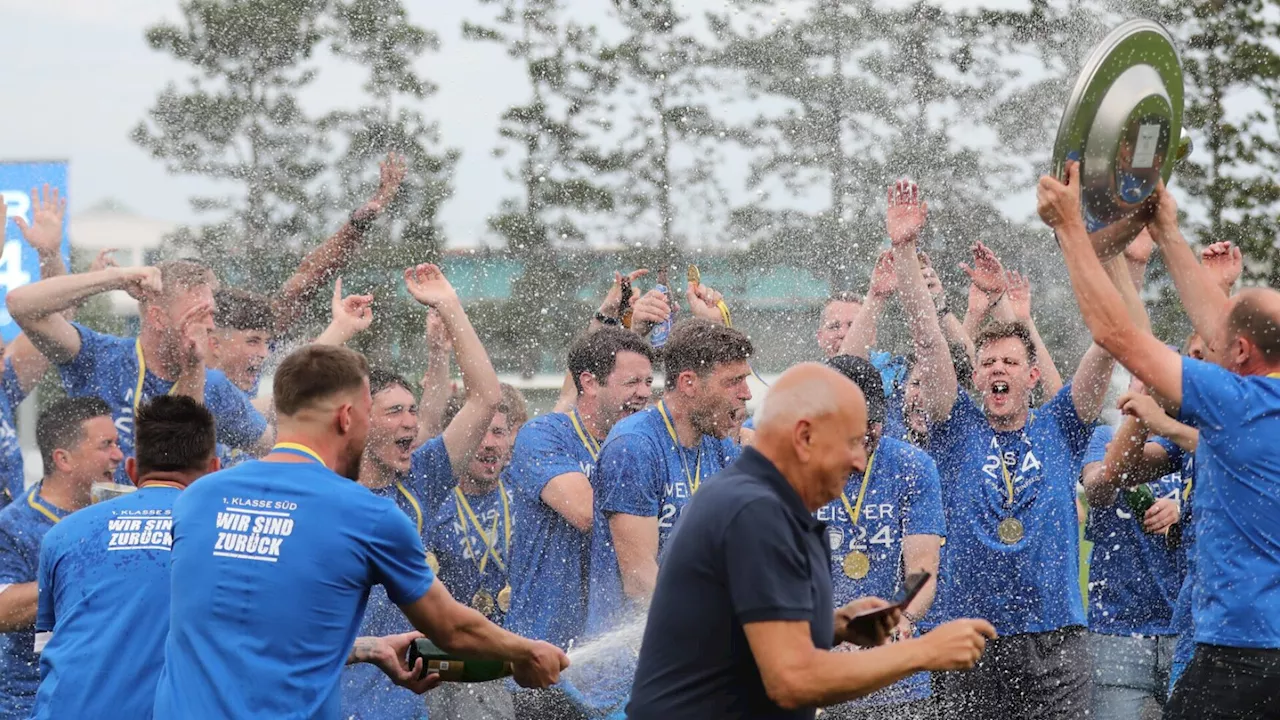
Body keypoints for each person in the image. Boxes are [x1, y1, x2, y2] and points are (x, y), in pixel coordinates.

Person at [152, 344, 567, 719]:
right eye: (374, 413)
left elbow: (258, 633)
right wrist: (527, 651)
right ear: (348, 417)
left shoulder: (197, 498)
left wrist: (370, 649)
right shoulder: (366, 515)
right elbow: (450, 628)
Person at [1039, 163, 1280, 718]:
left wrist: (1073, 230)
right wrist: (1167, 229)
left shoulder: (1234, 403)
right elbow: (1226, 328)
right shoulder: (1256, 389)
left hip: (1238, 654)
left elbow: (1118, 335)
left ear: (1237, 354)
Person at [627, 363, 995, 720]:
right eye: (852, 442)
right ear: (804, 436)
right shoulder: (755, 512)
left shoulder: (765, 501)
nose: (859, 463)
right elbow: (792, 681)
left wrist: (835, 626)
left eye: (868, 440)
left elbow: (740, 629)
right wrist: (924, 652)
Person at [504, 328, 655, 720]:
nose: (643, 392)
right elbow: (585, 512)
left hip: (620, 667)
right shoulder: (544, 434)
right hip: (546, 662)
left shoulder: (648, 446)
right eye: (631, 382)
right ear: (588, 382)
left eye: (649, 382)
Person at [6, 260, 270, 484]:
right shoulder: (101, 356)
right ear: (157, 317)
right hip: (95, 529)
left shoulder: (215, 385)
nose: (210, 326)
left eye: (211, 314)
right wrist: (116, 279)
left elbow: (274, 449)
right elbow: (21, 305)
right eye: (197, 315)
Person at [585, 319, 752, 634]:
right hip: (629, 669)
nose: (746, 393)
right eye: (734, 381)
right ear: (688, 383)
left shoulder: (718, 446)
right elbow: (639, 579)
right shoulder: (634, 445)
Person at [817, 355, 945, 720]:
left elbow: (923, 568)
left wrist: (899, 617)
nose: (865, 432)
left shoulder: (913, 466)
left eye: (873, 420)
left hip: (897, 680)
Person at [0, 397, 121, 719]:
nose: (118, 455)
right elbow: (2, 610)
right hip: (32, 704)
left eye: (117, 443)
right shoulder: (15, 525)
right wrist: (79, 572)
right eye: (106, 444)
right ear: (64, 459)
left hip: (107, 700)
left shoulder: (120, 509)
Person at [1079, 381, 1186, 719]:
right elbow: (1097, 491)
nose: (1149, 390)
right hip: (1117, 632)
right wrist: (1119, 467)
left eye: (1158, 381)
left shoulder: (1192, 441)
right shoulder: (1104, 440)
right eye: (1142, 381)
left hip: (1186, 629)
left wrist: (1183, 508)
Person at [422, 384, 528, 720]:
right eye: (478, 432)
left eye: (497, 432)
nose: (489, 443)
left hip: (516, 652)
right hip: (451, 660)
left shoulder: (524, 484)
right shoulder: (432, 503)